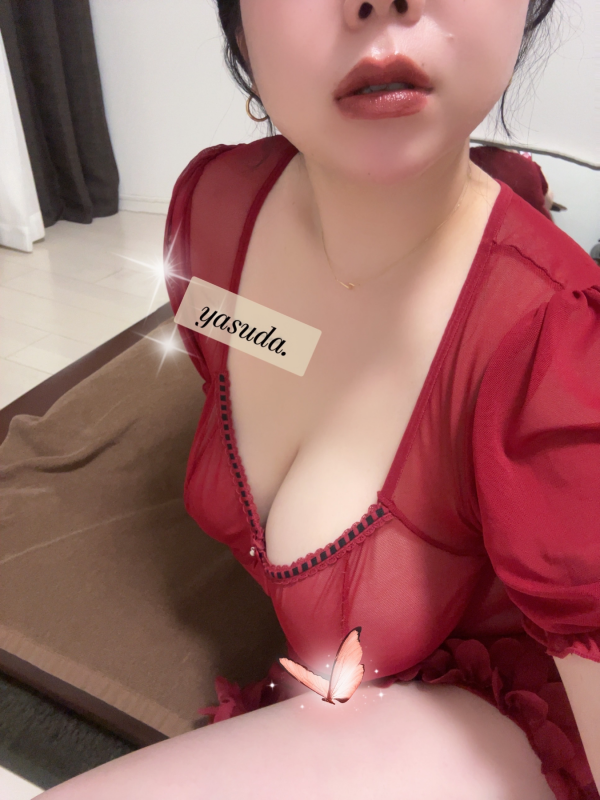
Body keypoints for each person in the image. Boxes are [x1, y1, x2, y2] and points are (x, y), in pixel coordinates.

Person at [42, 1, 600, 798]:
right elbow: (251, 343)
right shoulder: (212, 212)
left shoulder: (561, 356)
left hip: (511, 712)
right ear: (239, 26)